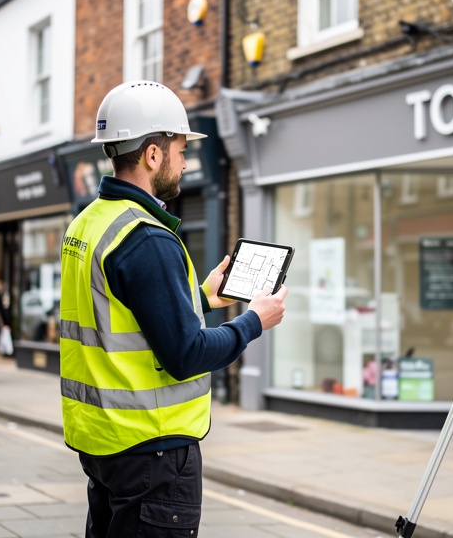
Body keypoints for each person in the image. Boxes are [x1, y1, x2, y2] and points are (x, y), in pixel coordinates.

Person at [60, 80, 287, 537]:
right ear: (152, 154)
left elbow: (119, 315)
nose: (185, 162)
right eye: (181, 150)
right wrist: (252, 322)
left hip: (104, 443)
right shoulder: (146, 238)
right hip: (152, 451)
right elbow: (185, 355)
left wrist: (202, 297)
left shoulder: (87, 224)